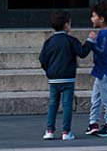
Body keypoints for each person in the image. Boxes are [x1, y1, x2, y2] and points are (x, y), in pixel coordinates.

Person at [39, 9, 93, 141]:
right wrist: (90, 41)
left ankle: (49, 130)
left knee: (53, 103)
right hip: (68, 78)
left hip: (53, 79)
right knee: (67, 104)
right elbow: (82, 53)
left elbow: (42, 59)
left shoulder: (49, 42)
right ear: (66, 25)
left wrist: (49, 71)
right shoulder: (71, 40)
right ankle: (66, 131)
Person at [84, 1, 107, 138]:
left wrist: (92, 42)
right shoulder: (106, 33)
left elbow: (102, 51)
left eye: (93, 16)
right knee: (96, 98)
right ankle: (93, 123)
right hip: (101, 70)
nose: (91, 19)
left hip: (106, 71)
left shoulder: (105, 35)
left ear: (102, 19)